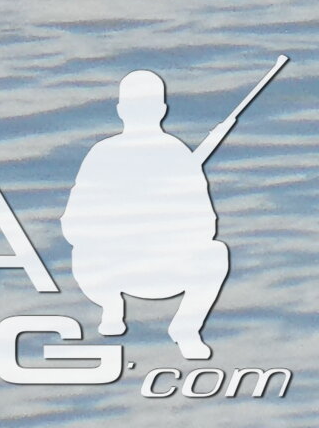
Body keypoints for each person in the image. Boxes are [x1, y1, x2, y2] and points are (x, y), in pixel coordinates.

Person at [61, 69, 237, 360]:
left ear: (120, 110)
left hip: (113, 271)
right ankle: (182, 324)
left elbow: (73, 225)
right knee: (216, 253)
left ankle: (117, 308)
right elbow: (207, 226)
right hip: (160, 272)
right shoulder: (178, 154)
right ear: (162, 110)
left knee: (82, 251)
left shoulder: (101, 153)